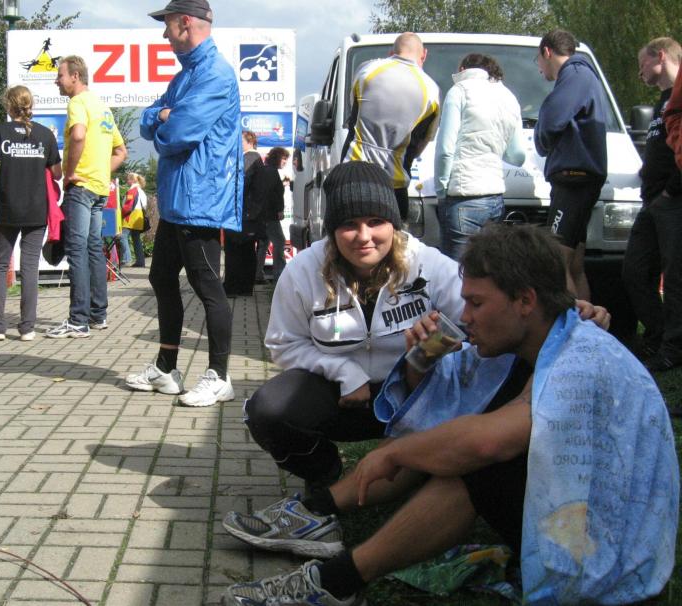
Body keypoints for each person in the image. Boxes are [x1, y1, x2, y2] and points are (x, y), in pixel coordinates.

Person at [222, 224, 678, 606]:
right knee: (454, 438)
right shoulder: (542, 338)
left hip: (612, 558)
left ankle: (335, 582)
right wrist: (421, 356)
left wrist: (393, 455)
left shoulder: (581, 356)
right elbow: (441, 406)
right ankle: (319, 515)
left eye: (476, 303)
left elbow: (489, 441)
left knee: (476, 467)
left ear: (525, 300)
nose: (466, 316)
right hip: (577, 519)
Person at [243, 160, 466, 491]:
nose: (364, 237)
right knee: (268, 410)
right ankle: (325, 472)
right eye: (349, 224)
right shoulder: (303, 270)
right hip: (342, 396)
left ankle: (432, 472)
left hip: (415, 391)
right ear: (332, 229)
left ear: (393, 224)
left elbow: (476, 325)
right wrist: (343, 371)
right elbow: (283, 344)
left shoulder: (427, 263)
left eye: (376, 222)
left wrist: (431, 350)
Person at [126, 0, 242, 407]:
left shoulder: (215, 74)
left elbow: (178, 134)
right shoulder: (186, 75)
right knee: (161, 278)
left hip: (200, 199)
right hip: (178, 199)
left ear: (186, 23)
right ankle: (166, 369)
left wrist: (163, 120)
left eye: (168, 25)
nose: (164, 33)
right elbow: (149, 118)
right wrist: (162, 116)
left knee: (207, 285)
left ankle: (220, 377)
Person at [47, 55, 127, 338]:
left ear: (75, 76)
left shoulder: (77, 103)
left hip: (80, 188)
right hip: (99, 188)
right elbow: (121, 152)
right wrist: (99, 171)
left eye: (60, 75)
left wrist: (70, 173)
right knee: (94, 249)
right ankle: (98, 315)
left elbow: (78, 136)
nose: (56, 81)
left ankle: (77, 321)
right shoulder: (103, 108)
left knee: (77, 250)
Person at [534, 29, 608, 301]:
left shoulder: (575, 75)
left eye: (538, 61)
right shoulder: (584, 75)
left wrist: (541, 142)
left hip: (573, 177)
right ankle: (587, 324)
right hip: (581, 176)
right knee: (575, 264)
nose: (539, 68)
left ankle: (570, 325)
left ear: (547, 52)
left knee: (557, 260)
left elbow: (552, 120)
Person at [0, 85, 62, 342]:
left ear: (9, 105)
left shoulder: (0, 131)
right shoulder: (45, 134)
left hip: (6, 208)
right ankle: (27, 328)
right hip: (36, 209)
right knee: (30, 268)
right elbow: (57, 173)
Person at [623, 38, 682, 372]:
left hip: (672, 200)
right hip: (653, 202)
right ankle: (658, 335)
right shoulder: (662, 101)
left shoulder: (679, 97)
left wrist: (672, 190)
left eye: (641, 63)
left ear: (660, 56)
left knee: (674, 278)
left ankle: (673, 348)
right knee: (634, 271)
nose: (639, 71)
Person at [435, 53, 525, 260]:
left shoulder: (459, 91)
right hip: (495, 197)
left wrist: (441, 189)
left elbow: (446, 149)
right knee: (488, 269)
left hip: (463, 196)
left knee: (455, 271)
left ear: (463, 70)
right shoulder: (508, 97)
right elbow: (517, 156)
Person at [341, 32, 440, 221]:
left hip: (353, 173)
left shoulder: (367, 71)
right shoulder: (431, 90)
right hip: (393, 184)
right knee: (392, 237)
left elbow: (354, 117)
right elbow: (421, 142)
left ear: (391, 53)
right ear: (424, 55)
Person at [223, 130, 263, 297]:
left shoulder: (249, 158)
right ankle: (245, 288)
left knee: (234, 250)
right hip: (250, 214)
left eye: (240, 141)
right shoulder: (257, 159)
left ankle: (232, 287)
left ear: (249, 142)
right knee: (247, 251)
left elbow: (239, 184)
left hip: (240, 213)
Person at [254, 146, 290, 284]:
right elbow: (271, 195)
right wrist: (279, 210)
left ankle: (258, 275)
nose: (285, 162)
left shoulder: (267, 170)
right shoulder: (271, 172)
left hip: (263, 215)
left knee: (263, 244)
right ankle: (280, 275)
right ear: (277, 158)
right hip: (270, 215)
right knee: (279, 241)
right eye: (284, 158)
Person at [120, 172, 148, 268]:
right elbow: (145, 206)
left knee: (122, 236)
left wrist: (121, 214)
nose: (126, 181)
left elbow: (128, 206)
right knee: (136, 239)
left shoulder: (132, 190)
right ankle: (140, 261)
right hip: (139, 215)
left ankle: (126, 259)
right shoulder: (141, 191)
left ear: (132, 180)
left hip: (131, 216)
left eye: (128, 179)